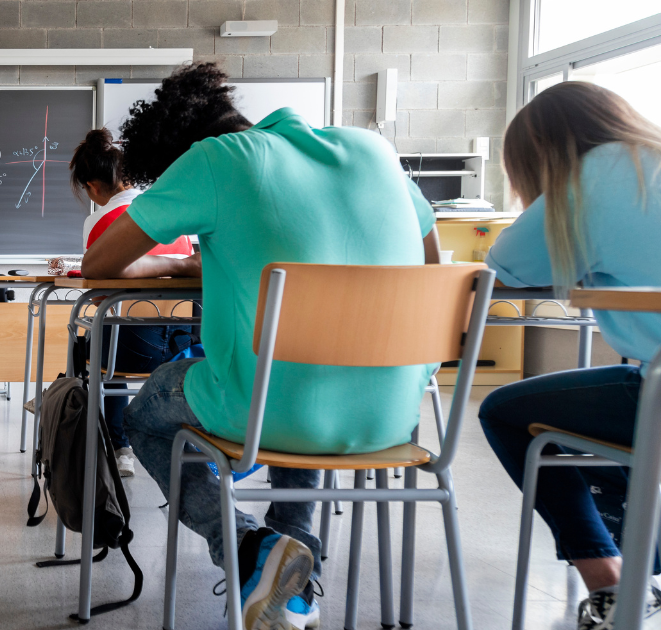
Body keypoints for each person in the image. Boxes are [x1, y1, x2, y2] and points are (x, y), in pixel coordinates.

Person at [82, 62, 439, 629]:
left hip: (270, 408)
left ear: (182, 151)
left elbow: (98, 264)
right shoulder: (376, 151)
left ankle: (250, 547)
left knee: (148, 413)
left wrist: (191, 263)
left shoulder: (216, 159)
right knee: (305, 370)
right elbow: (432, 264)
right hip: (392, 415)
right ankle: (291, 589)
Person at [478, 81, 661, 630]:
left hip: (657, 390)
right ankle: (639, 565)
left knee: (507, 412)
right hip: (648, 379)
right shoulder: (647, 158)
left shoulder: (594, 178)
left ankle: (610, 582)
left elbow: (509, 266)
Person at [69, 128, 195, 476]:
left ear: (93, 187)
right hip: (181, 346)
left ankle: (120, 446)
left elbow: (98, 289)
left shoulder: (99, 223)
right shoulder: (178, 221)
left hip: (131, 350)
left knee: (97, 335)